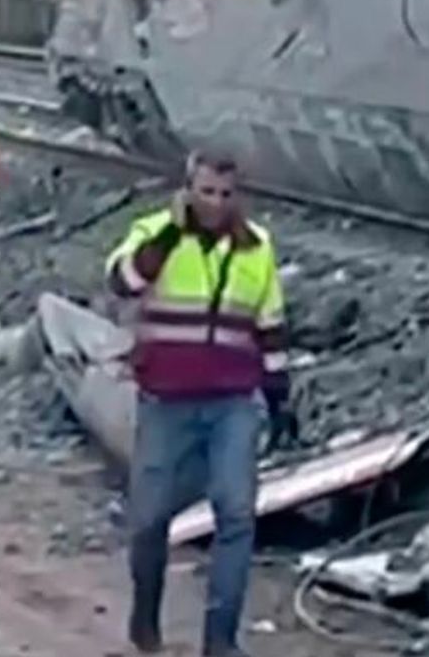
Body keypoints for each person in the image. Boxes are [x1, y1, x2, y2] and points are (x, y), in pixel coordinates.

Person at [105, 148, 293, 657]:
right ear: (188, 189)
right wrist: (172, 232)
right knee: (149, 521)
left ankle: (220, 642)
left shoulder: (257, 247)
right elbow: (124, 282)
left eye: (226, 195)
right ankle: (145, 619)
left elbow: (270, 326)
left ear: (239, 197)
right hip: (166, 402)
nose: (216, 203)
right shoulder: (154, 233)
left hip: (233, 402)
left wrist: (279, 395)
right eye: (206, 192)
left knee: (236, 515)